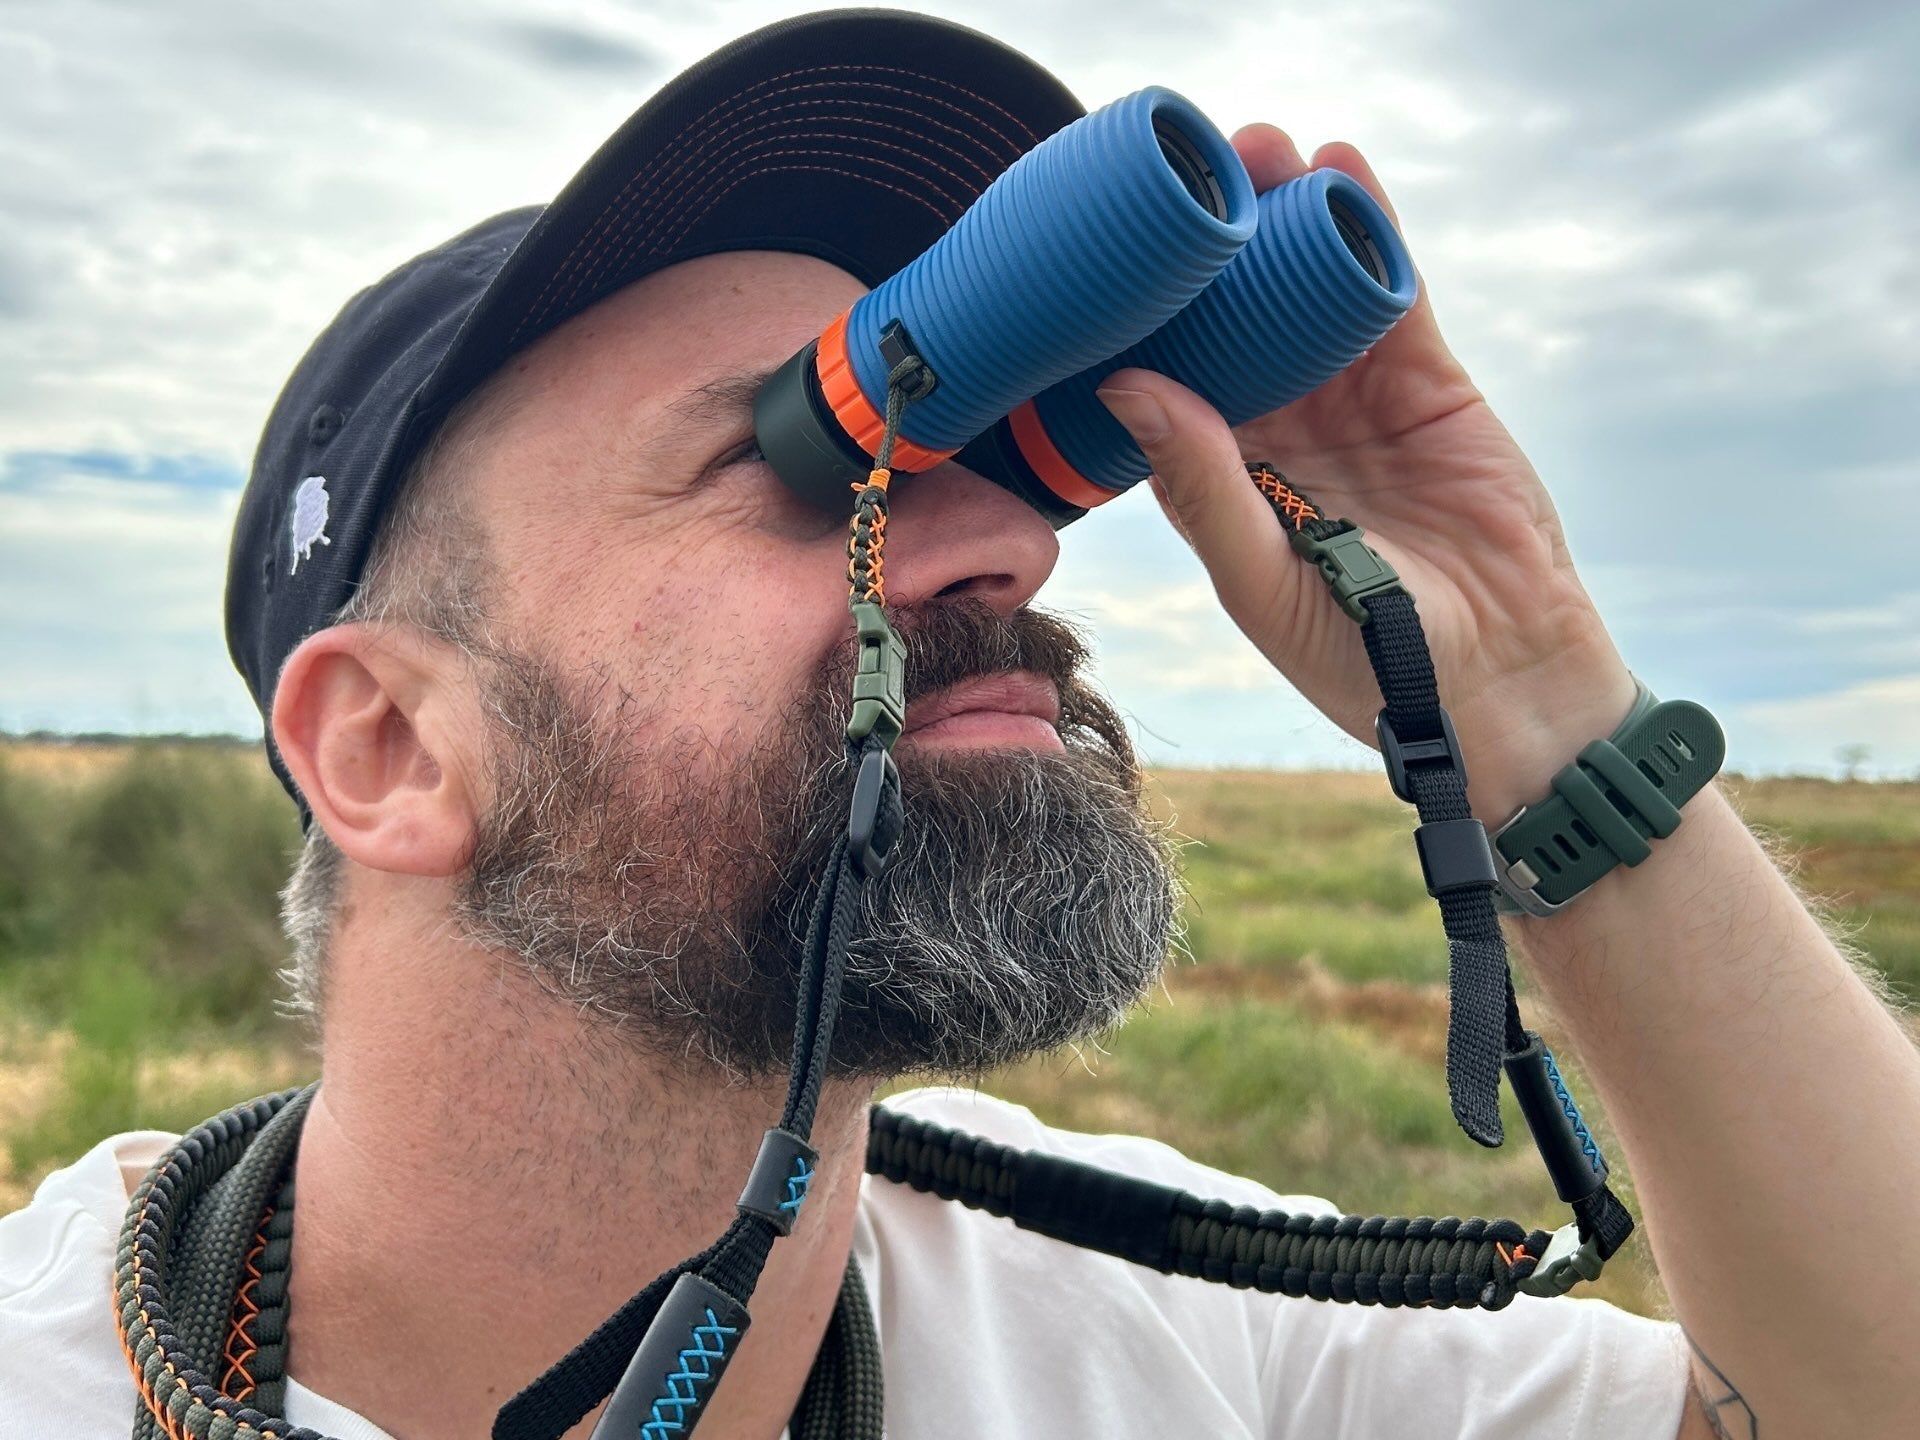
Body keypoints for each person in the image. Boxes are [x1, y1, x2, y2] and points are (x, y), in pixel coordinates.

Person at [2, 10, 1915, 1439]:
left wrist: (1518, 690)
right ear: (390, 752)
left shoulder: (1158, 1323)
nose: (1007, 536)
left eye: (1005, 446)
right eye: (811, 452)